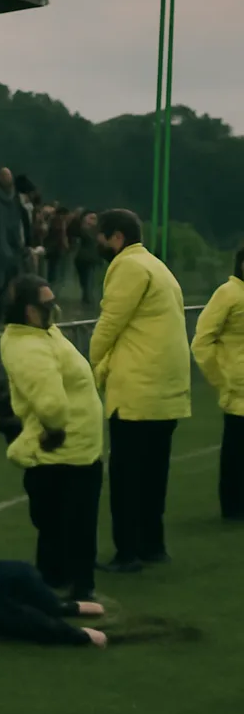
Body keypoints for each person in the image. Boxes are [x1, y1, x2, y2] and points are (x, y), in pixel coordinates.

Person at [89, 209, 191, 572]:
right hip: (167, 390)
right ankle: (153, 545)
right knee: (153, 475)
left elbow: (109, 324)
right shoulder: (158, 267)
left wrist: (91, 367)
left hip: (137, 392)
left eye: (101, 236)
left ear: (116, 237)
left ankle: (128, 552)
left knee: (128, 477)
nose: (97, 243)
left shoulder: (128, 267)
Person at [0, 275, 105, 600]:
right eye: (47, 303)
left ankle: (61, 585)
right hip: (60, 451)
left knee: (66, 526)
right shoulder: (27, 345)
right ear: (29, 311)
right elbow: (52, 404)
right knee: (67, 526)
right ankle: (70, 590)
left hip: (76, 449)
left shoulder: (43, 334)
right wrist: (56, 430)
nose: (54, 307)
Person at [190, 247, 244, 521]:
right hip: (238, 387)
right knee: (236, 450)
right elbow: (201, 341)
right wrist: (221, 378)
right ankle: (233, 507)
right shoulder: (228, 293)